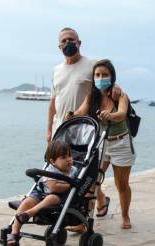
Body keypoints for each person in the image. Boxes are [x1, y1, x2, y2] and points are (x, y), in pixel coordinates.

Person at [46, 27, 120, 233]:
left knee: (85, 173)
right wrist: (49, 130)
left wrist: (116, 88)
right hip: (62, 129)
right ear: (59, 45)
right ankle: (95, 201)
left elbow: (106, 79)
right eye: (64, 41)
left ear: (79, 43)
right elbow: (53, 102)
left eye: (71, 39)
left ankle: (82, 219)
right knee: (68, 172)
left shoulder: (90, 65)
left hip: (86, 131)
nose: (67, 43)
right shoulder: (56, 70)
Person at [67, 59, 135, 229]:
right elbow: (80, 112)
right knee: (91, 181)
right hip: (101, 145)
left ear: (112, 77)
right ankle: (83, 221)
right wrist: (71, 116)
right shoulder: (92, 96)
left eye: (105, 75)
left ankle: (125, 216)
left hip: (121, 144)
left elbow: (121, 113)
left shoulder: (120, 95)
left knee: (122, 184)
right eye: (97, 75)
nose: (100, 78)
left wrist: (111, 116)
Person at [8, 140, 78, 245]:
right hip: (41, 192)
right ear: (53, 161)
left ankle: (29, 213)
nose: (69, 160)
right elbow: (53, 187)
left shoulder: (74, 170)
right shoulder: (50, 170)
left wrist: (73, 185)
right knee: (27, 202)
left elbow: (57, 191)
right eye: (64, 157)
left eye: (70, 156)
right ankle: (14, 231)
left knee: (51, 198)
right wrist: (70, 184)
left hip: (58, 197)